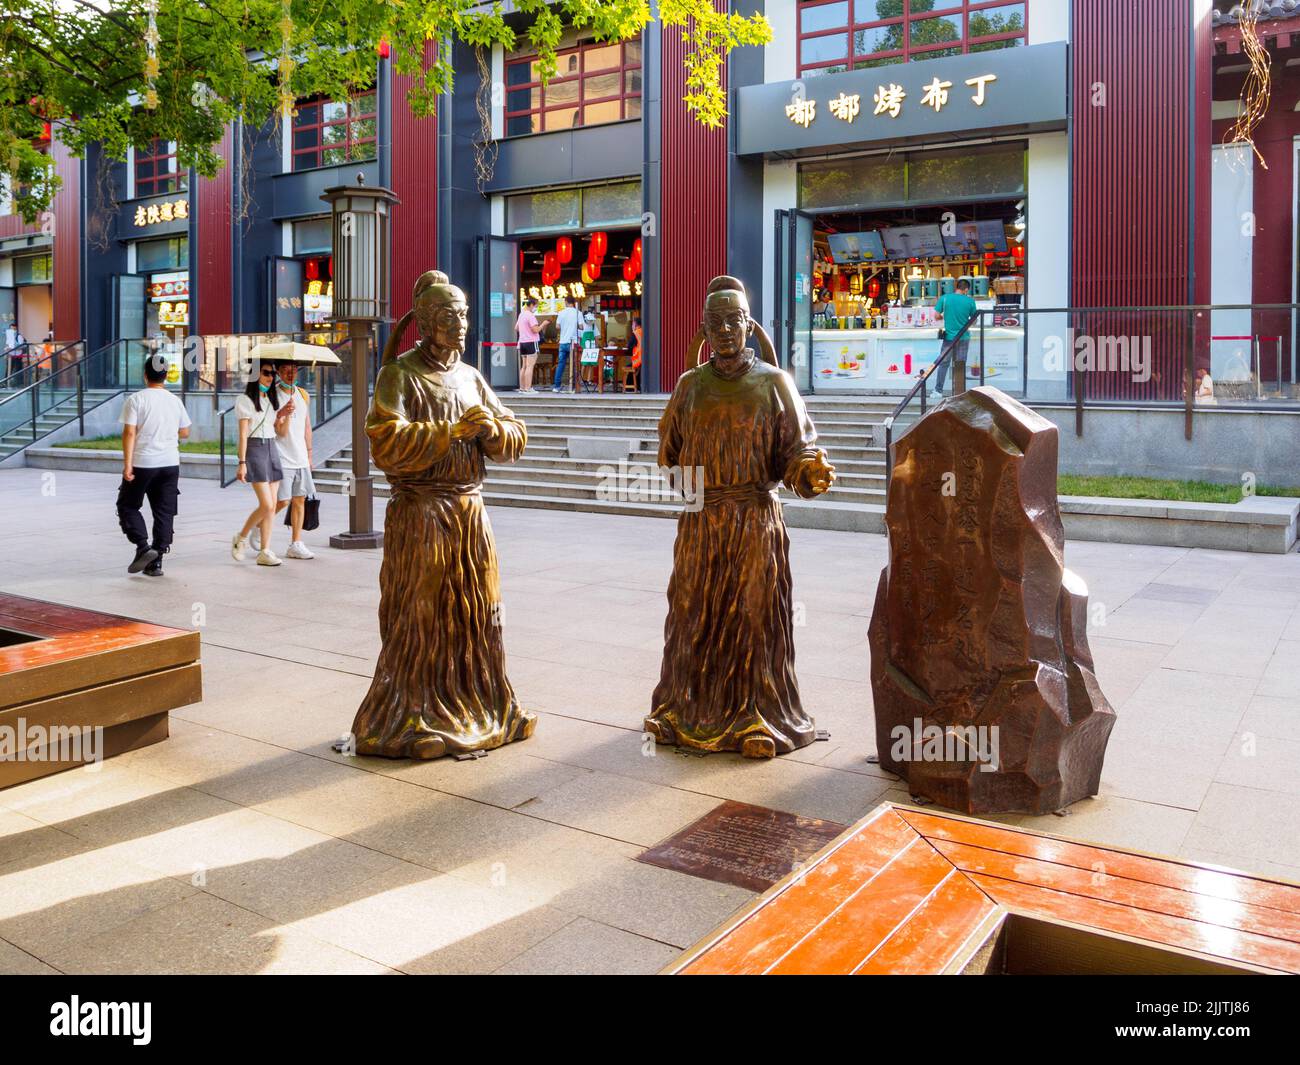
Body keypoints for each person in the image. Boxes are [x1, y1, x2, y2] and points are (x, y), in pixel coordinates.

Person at [348, 269, 535, 759]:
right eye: (449, 316)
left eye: (464, 315)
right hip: (423, 511)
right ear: (426, 322)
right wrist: (450, 431)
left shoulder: (471, 377)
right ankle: (413, 715)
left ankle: (487, 704)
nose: (461, 324)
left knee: (480, 609)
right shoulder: (400, 374)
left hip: (470, 511)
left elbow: (516, 432)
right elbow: (385, 440)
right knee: (421, 612)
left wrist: (491, 431)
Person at [646, 275, 836, 759]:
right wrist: (699, 498)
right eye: (716, 321)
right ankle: (684, 707)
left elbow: (798, 451)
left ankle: (759, 716)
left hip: (755, 518)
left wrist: (808, 472)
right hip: (702, 521)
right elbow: (668, 454)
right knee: (694, 612)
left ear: (748, 326)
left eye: (734, 319)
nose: (725, 329)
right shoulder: (690, 386)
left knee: (755, 616)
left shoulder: (775, 383)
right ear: (704, 329)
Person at [116, 353, 192, 576]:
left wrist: (127, 464)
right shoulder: (174, 400)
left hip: (143, 462)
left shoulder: (136, 399)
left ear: (145, 375)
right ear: (166, 376)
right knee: (164, 511)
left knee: (128, 505)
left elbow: (129, 432)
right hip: (170, 464)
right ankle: (156, 561)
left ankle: (142, 547)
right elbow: (186, 432)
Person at [231, 361, 294, 566]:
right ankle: (241, 537)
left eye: (272, 374)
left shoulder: (270, 400)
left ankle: (265, 551)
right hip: (255, 449)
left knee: (272, 505)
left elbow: (275, 428)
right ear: (255, 375)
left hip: (271, 447)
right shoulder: (245, 400)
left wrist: (283, 414)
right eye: (266, 373)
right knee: (266, 505)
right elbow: (242, 435)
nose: (270, 377)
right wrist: (242, 462)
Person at [250, 360, 315, 559]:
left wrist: (309, 454)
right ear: (278, 372)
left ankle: (296, 543)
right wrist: (282, 414)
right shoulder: (272, 395)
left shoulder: (303, 394)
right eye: (286, 370)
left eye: (294, 370)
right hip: (281, 456)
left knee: (300, 500)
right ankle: (259, 525)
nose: (290, 374)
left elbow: (306, 426)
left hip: (300, 456)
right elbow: (273, 428)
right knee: (282, 501)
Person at [929, 277, 978, 399]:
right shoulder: (970, 301)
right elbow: (974, 320)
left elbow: (936, 316)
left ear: (957, 287)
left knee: (943, 363)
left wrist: (944, 317)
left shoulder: (945, 298)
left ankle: (938, 391)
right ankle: (959, 393)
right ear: (966, 289)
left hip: (949, 338)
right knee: (960, 364)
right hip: (963, 337)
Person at [554, 296, 581, 393]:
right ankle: (573, 386)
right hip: (573, 342)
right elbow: (581, 326)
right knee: (574, 364)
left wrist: (564, 327)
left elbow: (557, 326)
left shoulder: (561, 312)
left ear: (566, 302)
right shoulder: (578, 313)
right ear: (573, 303)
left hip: (563, 342)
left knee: (561, 364)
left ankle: (556, 386)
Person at [514, 298, 541, 393]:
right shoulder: (530, 315)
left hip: (522, 342)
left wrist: (524, 330)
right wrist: (544, 324)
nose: (536, 308)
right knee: (530, 366)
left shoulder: (521, 314)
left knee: (524, 366)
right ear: (532, 304)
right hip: (531, 342)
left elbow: (516, 328)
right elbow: (536, 330)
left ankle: (522, 387)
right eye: (536, 305)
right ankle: (528, 388)